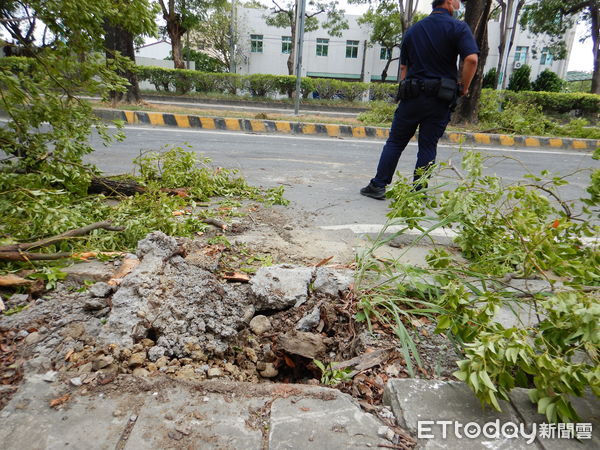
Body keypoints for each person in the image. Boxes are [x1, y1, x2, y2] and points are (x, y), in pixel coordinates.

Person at [360, 0, 479, 200]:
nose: (459, 3)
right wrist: (464, 87)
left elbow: (404, 69)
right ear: (448, 2)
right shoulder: (458, 27)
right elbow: (471, 59)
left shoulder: (414, 30)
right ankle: (418, 191)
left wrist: (410, 89)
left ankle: (378, 185)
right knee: (427, 145)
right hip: (440, 98)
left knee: (396, 142)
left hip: (412, 96)